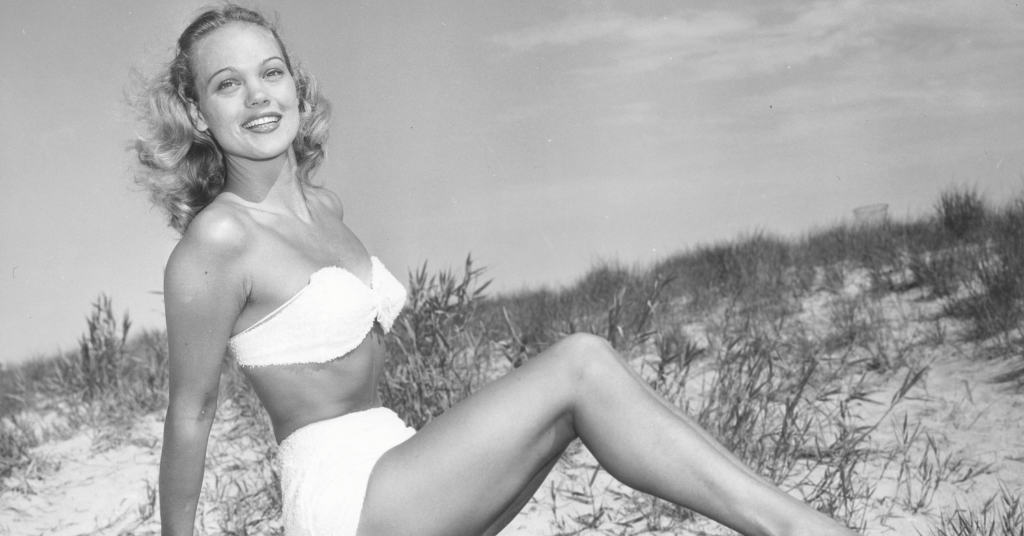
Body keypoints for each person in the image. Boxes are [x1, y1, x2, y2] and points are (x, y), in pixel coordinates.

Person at [134, 5, 860, 536]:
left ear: (297, 85)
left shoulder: (324, 206)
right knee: (581, 364)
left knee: (585, 397)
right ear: (199, 116)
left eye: (272, 72)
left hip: (397, 459)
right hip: (347, 499)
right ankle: (800, 530)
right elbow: (190, 412)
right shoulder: (218, 239)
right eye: (227, 85)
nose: (258, 95)